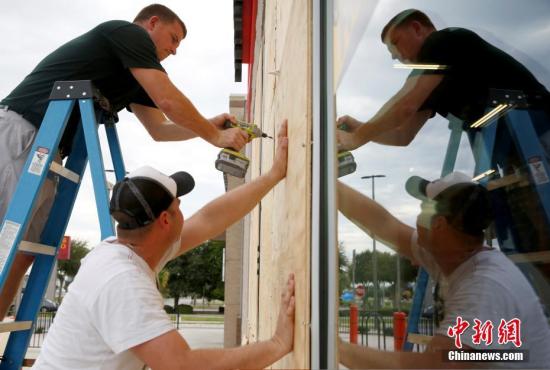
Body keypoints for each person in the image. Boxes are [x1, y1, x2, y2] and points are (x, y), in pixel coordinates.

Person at [0, 4, 249, 319]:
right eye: (173, 39)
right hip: (22, 133)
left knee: (25, 254)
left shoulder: (131, 77)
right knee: (5, 243)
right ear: (152, 24)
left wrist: (209, 126)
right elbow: (168, 100)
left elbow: (159, 129)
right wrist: (216, 138)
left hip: (49, 153)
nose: (173, 51)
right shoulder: (126, 32)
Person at [33, 121, 294, 369]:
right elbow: (180, 365)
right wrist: (277, 344)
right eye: (177, 204)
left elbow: (210, 219)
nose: (183, 209)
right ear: (166, 220)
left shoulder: (124, 251)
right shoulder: (122, 280)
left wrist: (273, 175)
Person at [337, 172, 550, 369]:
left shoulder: (485, 288)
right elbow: (382, 224)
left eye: (423, 207)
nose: (419, 212)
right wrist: (329, 184)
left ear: (437, 224)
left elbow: (435, 366)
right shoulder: (449, 253)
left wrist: (338, 349)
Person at [336, 8, 550, 150]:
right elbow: (403, 135)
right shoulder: (432, 80)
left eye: (396, 43)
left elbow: (405, 106)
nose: (395, 55)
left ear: (417, 28)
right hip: (516, 139)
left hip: (536, 124)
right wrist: (360, 127)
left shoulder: (443, 41)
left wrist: (357, 138)